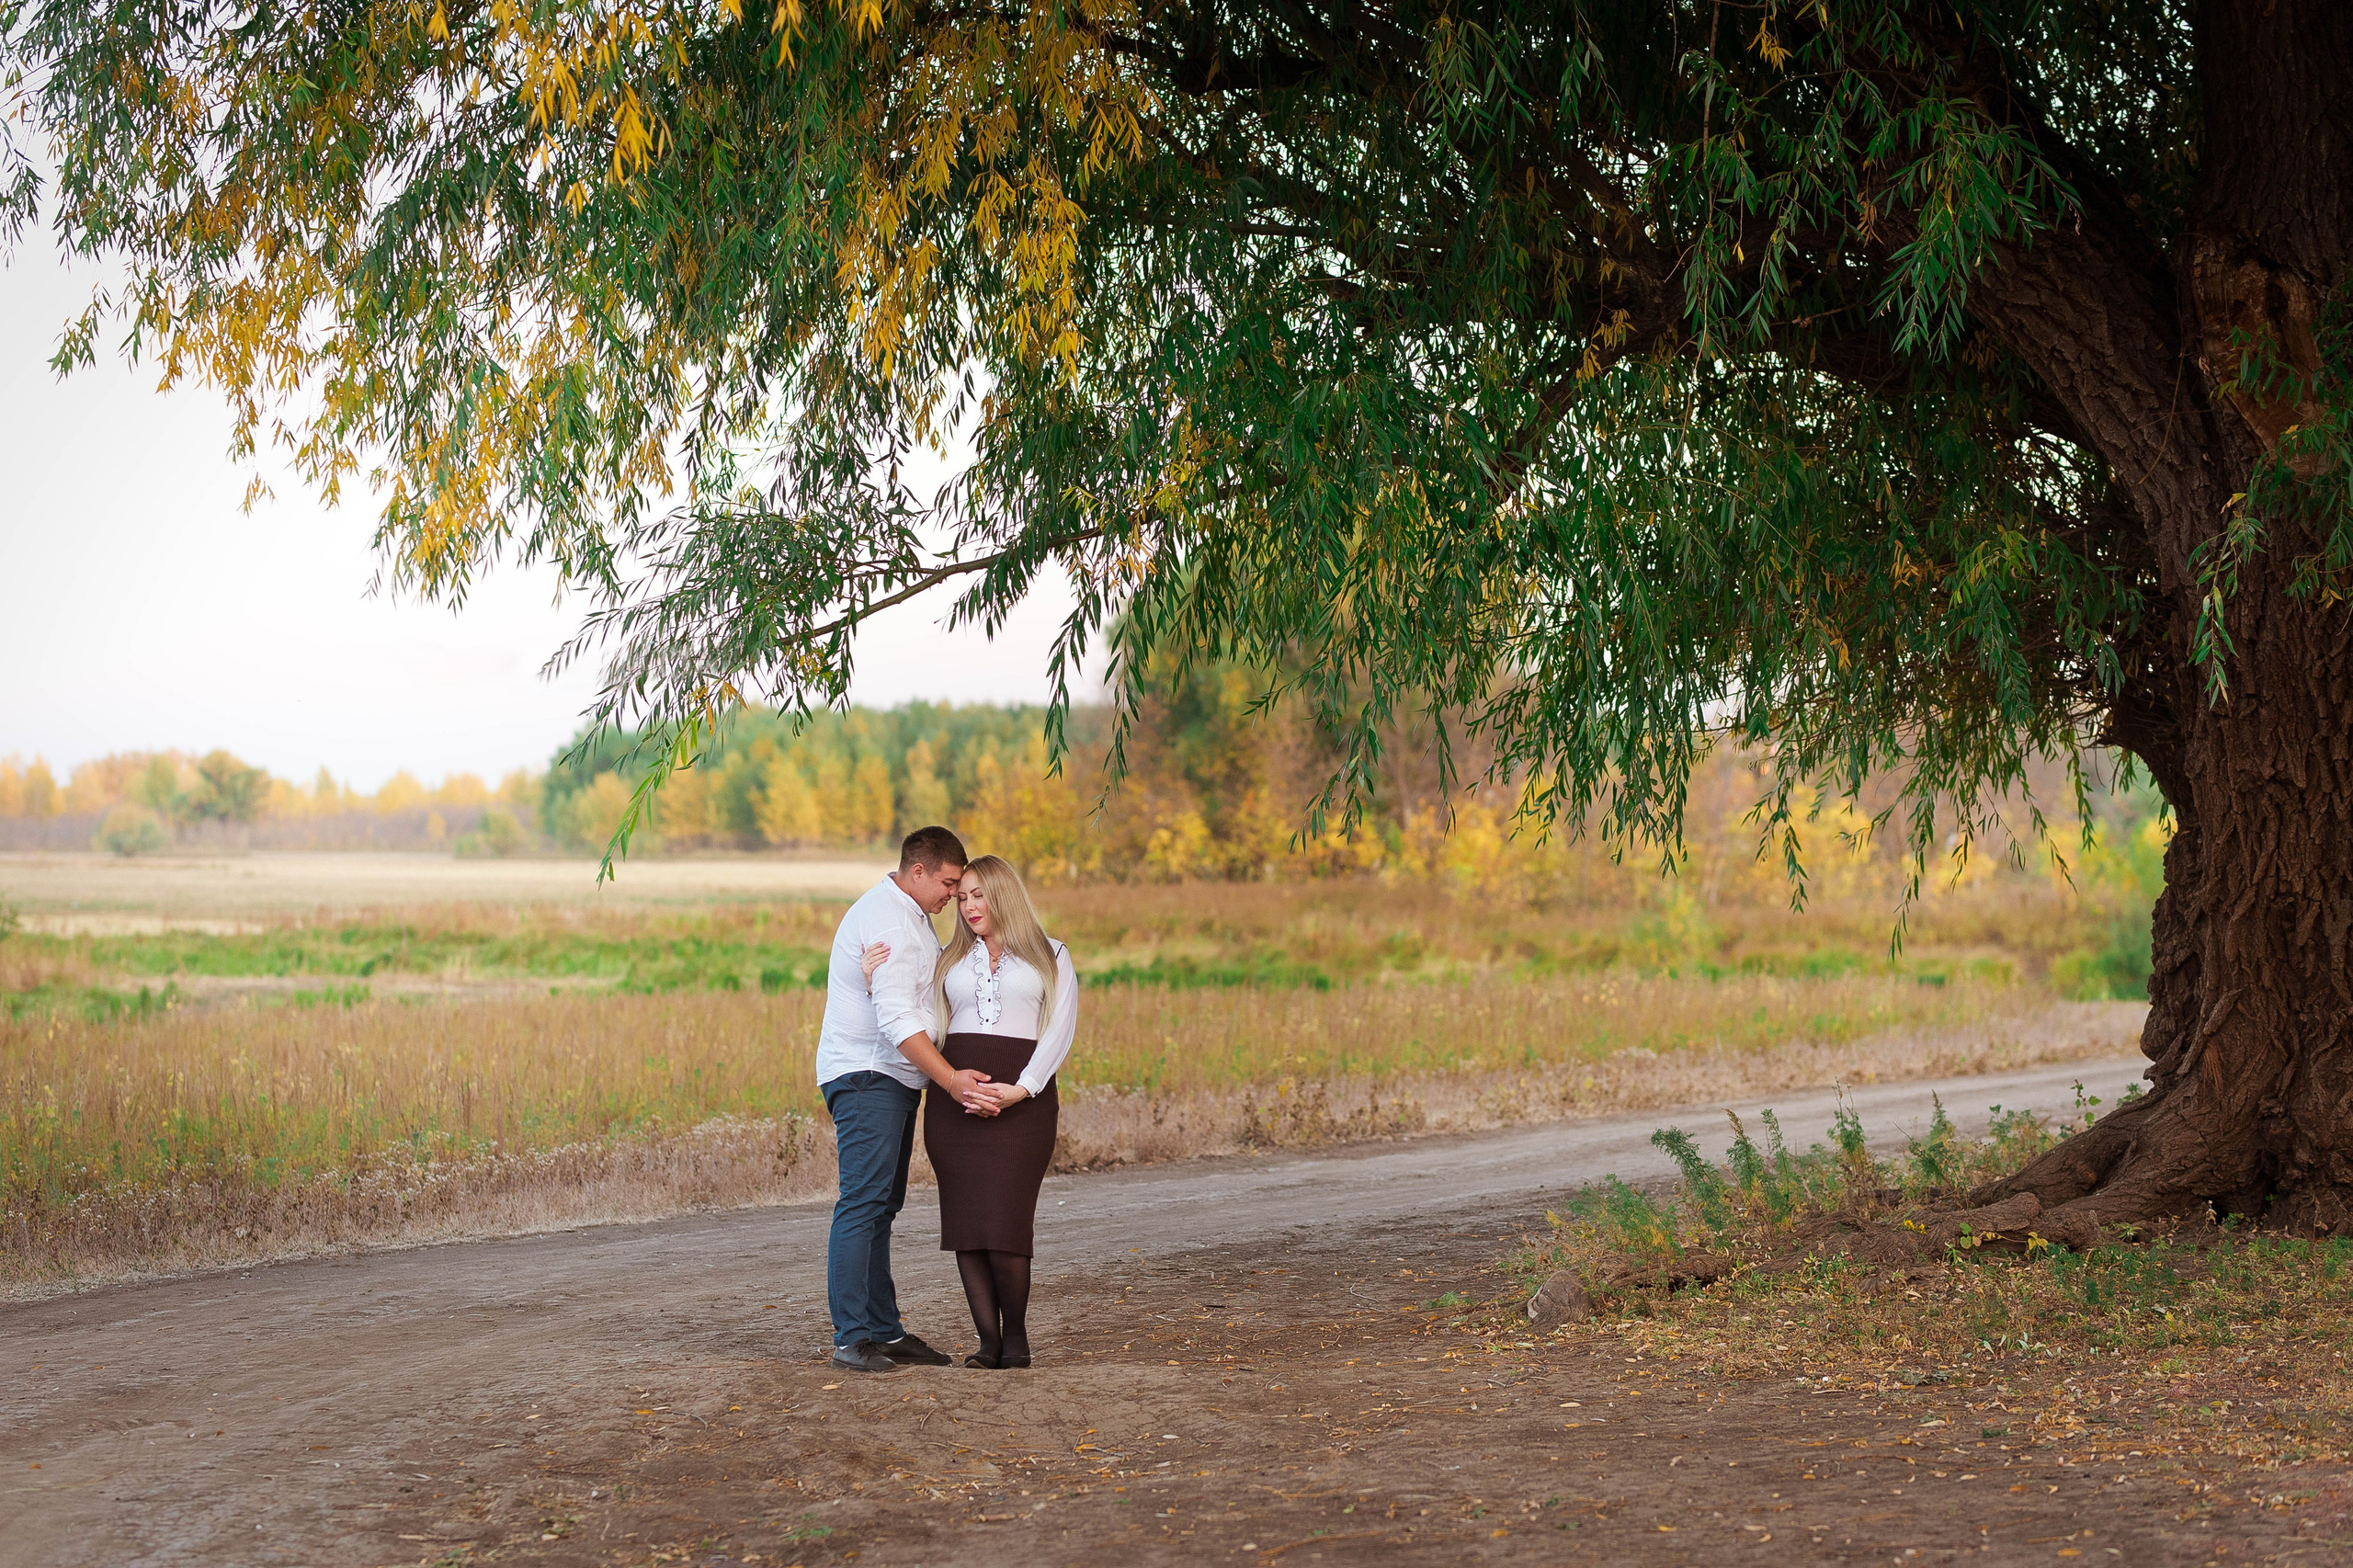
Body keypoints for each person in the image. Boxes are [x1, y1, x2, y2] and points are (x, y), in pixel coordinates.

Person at [862, 854, 1077, 1369]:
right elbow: (921, 1024)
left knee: (1005, 1223)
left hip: (1023, 1102)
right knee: (967, 1224)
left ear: (1005, 894)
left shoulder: (1051, 954)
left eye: (978, 895)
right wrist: (874, 983)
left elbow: (1060, 1030)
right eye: (961, 898)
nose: (968, 906)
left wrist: (1020, 1090)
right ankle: (988, 1343)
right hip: (954, 1104)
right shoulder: (947, 959)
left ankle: (1017, 1341)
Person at [814, 825, 991, 1375]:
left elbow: (923, 995)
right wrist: (950, 1080)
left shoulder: (911, 916)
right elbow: (895, 1019)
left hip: (889, 1078)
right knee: (863, 1203)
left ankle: (884, 1332)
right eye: (948, 883)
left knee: (881, 1206)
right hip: (868, 1074)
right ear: (918, 870)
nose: (953, 898)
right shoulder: (891, 918)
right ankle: (852, 1338)